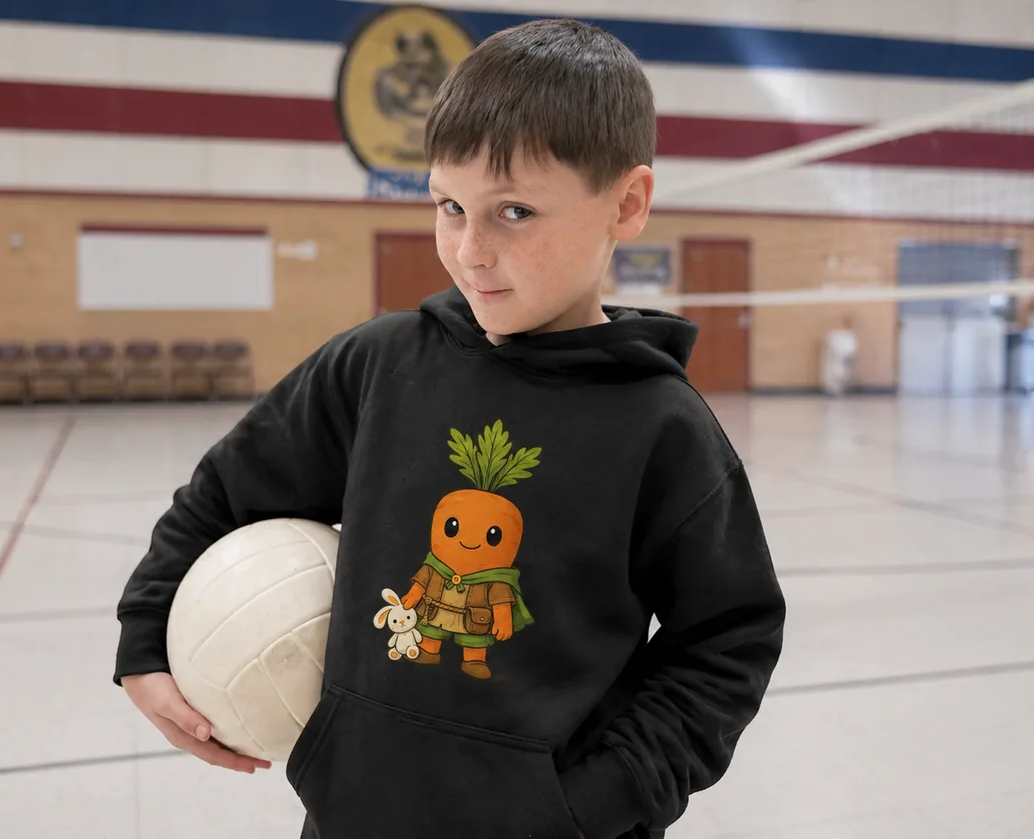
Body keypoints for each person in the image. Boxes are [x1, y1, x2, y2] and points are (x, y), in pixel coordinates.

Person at [113, 18, 786, 839]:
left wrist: (588, 804)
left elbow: (727, 640)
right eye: (448, 205)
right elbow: (224, 490)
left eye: (514, 211)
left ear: (628, 203)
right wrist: (146, 640)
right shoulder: (377, 367)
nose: (470, 250)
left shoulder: (663, 428)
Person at [821, 315, 858, 396]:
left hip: (844, 358)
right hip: (836, 358)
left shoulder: (849, 336)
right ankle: (834, 389)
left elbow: (851, 350)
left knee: (843, 373)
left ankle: (840, 389)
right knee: (836, 373)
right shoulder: (836, 335)